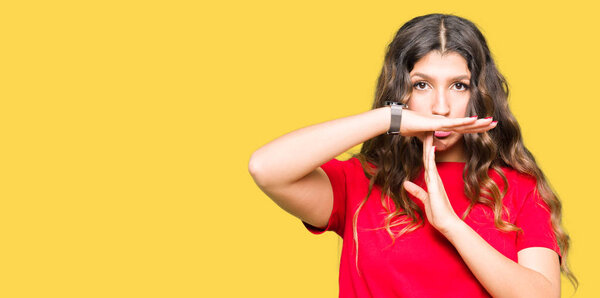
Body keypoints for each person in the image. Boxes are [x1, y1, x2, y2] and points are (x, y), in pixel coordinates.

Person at [248, 13, 577, 297]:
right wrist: (389, 119)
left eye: (459, 85)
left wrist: (451, 226)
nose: (441, 107)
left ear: (479, 93)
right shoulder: (359, 181)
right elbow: (266, 168)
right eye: (422, 85)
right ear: (401, 92)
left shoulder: (518, 188)